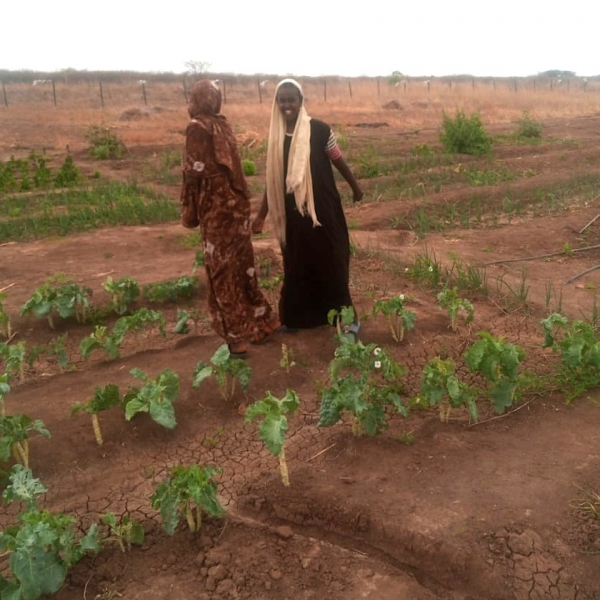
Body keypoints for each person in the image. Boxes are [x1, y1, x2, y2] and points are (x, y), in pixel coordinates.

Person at [252, 78, 363, 335]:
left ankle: (350, 319)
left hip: (321, 211)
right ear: (276, 103)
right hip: (292, 217)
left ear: (301, 101)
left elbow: (338, 160)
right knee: (297, 265)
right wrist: (260, 217)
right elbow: (273, 181)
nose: (286, 104)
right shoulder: (277, 137)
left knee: (331, 261)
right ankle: (297, 319)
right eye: (282, 100)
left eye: (291, 99)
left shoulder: (320, 130)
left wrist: (355, 188)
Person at [180, 79, 280, 357]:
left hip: (215, 209)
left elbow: (192, 173)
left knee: (222, 270)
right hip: (237, 207)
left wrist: (189, 212)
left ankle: (237, 337)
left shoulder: (196, 127)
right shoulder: (222, 124)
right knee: (242, 264)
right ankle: (264, 322)